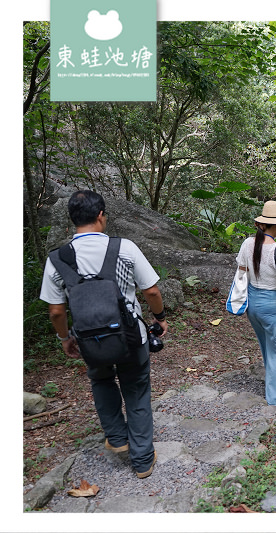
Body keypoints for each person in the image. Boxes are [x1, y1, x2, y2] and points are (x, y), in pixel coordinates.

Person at [40, 190, 166, 479]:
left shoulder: (57, 258)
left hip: (89, 339)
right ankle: (143, 461)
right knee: (136, 390)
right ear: (100, 215)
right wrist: (159, 317)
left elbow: (56, 312)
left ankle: (118, 439)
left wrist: (65, 339)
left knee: (101, 382)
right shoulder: (125, 248)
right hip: (131, 337)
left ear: (72, 220)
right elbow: (152, 290)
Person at [236, 201, 276, 407]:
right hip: (273, 306)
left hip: (253, 304)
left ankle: (274, 386)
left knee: (268, 347)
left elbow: (242, 269)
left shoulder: (248, 243)